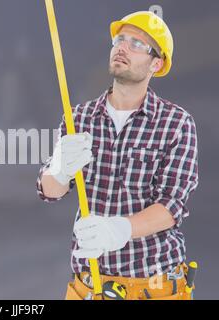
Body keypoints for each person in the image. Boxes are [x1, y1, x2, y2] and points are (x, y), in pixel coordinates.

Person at [36, 11, 199, 300]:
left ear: (156, 63)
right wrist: (59, 169)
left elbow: (171, 207)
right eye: (119, 39)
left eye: (137, 44)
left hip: (153, 287)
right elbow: (50, 192)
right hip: (89, 285)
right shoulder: (79, 118)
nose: (122, 47)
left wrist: (118, 229)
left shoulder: (176, 123)